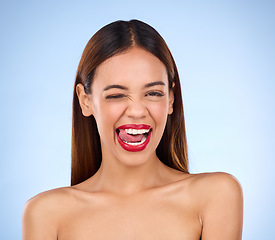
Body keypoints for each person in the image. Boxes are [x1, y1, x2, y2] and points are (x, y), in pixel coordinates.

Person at [22, 19, 243, 240]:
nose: (137, 111)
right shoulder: (45, 214)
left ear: (171, 99)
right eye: (116, 95)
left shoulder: (217, 195)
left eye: (153, 93)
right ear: (85, 101)